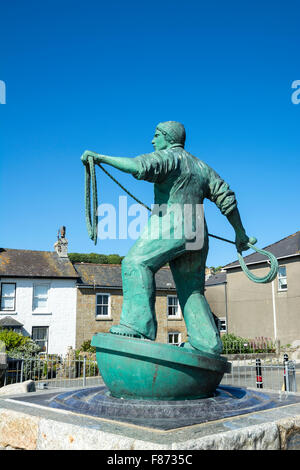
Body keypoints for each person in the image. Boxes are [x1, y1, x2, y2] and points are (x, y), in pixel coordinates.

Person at [81, 121, 255, 356]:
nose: (152, 141)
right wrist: (240, 233)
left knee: (135, 263)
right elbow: (227, 198)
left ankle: (137, 326)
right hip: (198, 234)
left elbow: (138, 167)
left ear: (168, 138)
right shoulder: (202, 166)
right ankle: (207, 342)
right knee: (191, 290)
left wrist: (99, 157)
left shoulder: (169, 157)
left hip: (174, 226)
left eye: (156, 135)